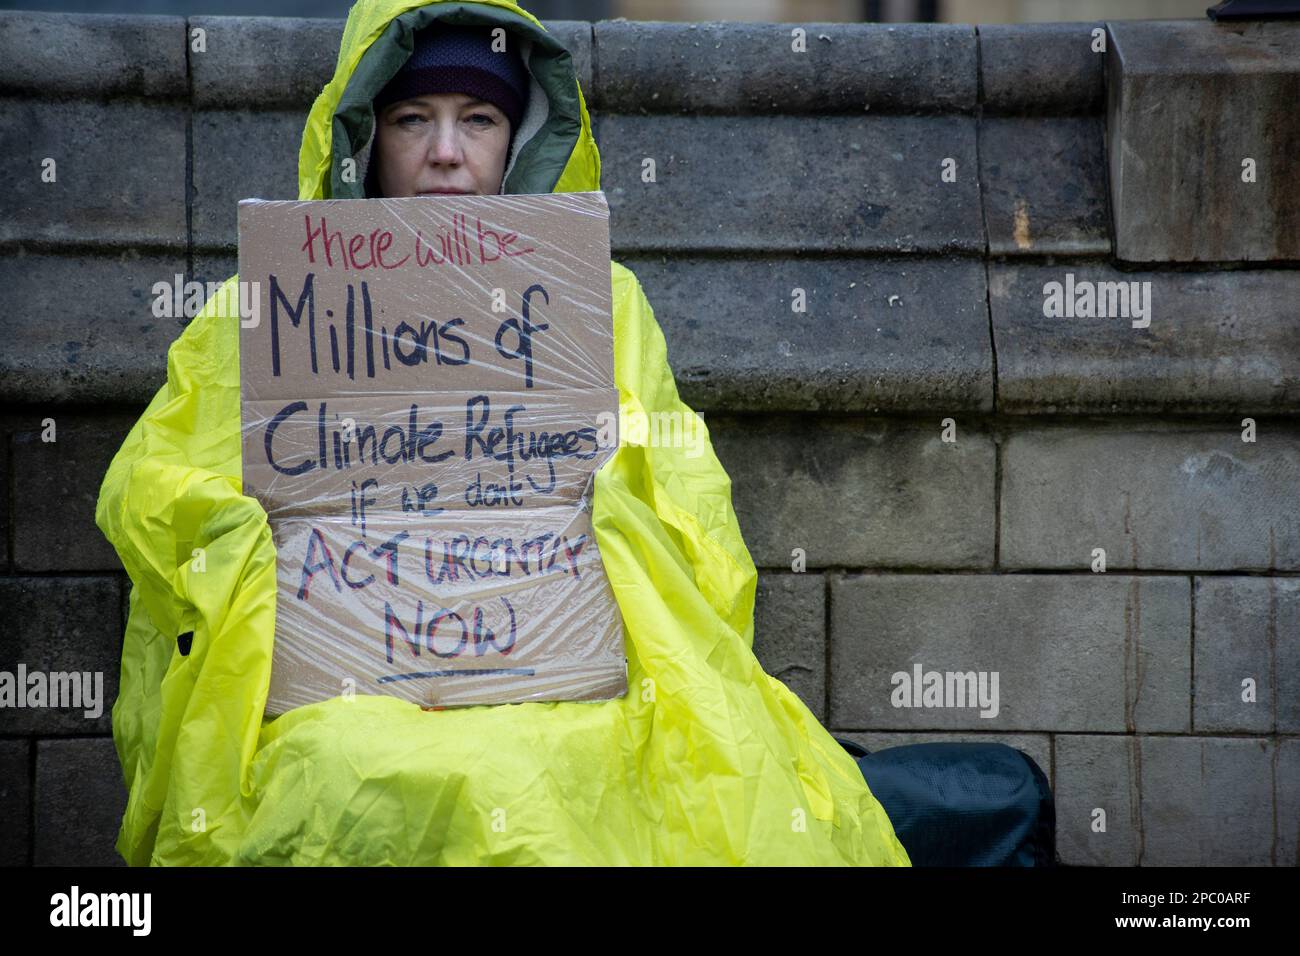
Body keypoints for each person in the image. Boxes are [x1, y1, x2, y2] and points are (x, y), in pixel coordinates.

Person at [95, 0, 910, 866]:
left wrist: (614, 482)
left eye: (478, 119)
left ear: (517, 140)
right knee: (335, 767)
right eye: (414, 119)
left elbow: (692, 511)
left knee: (601, 771)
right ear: (367, 136)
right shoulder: (268, 305)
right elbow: (154, 486)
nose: (446, 152)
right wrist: (237, 534)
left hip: (558, 683)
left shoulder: (602, 299)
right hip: (332, 698)